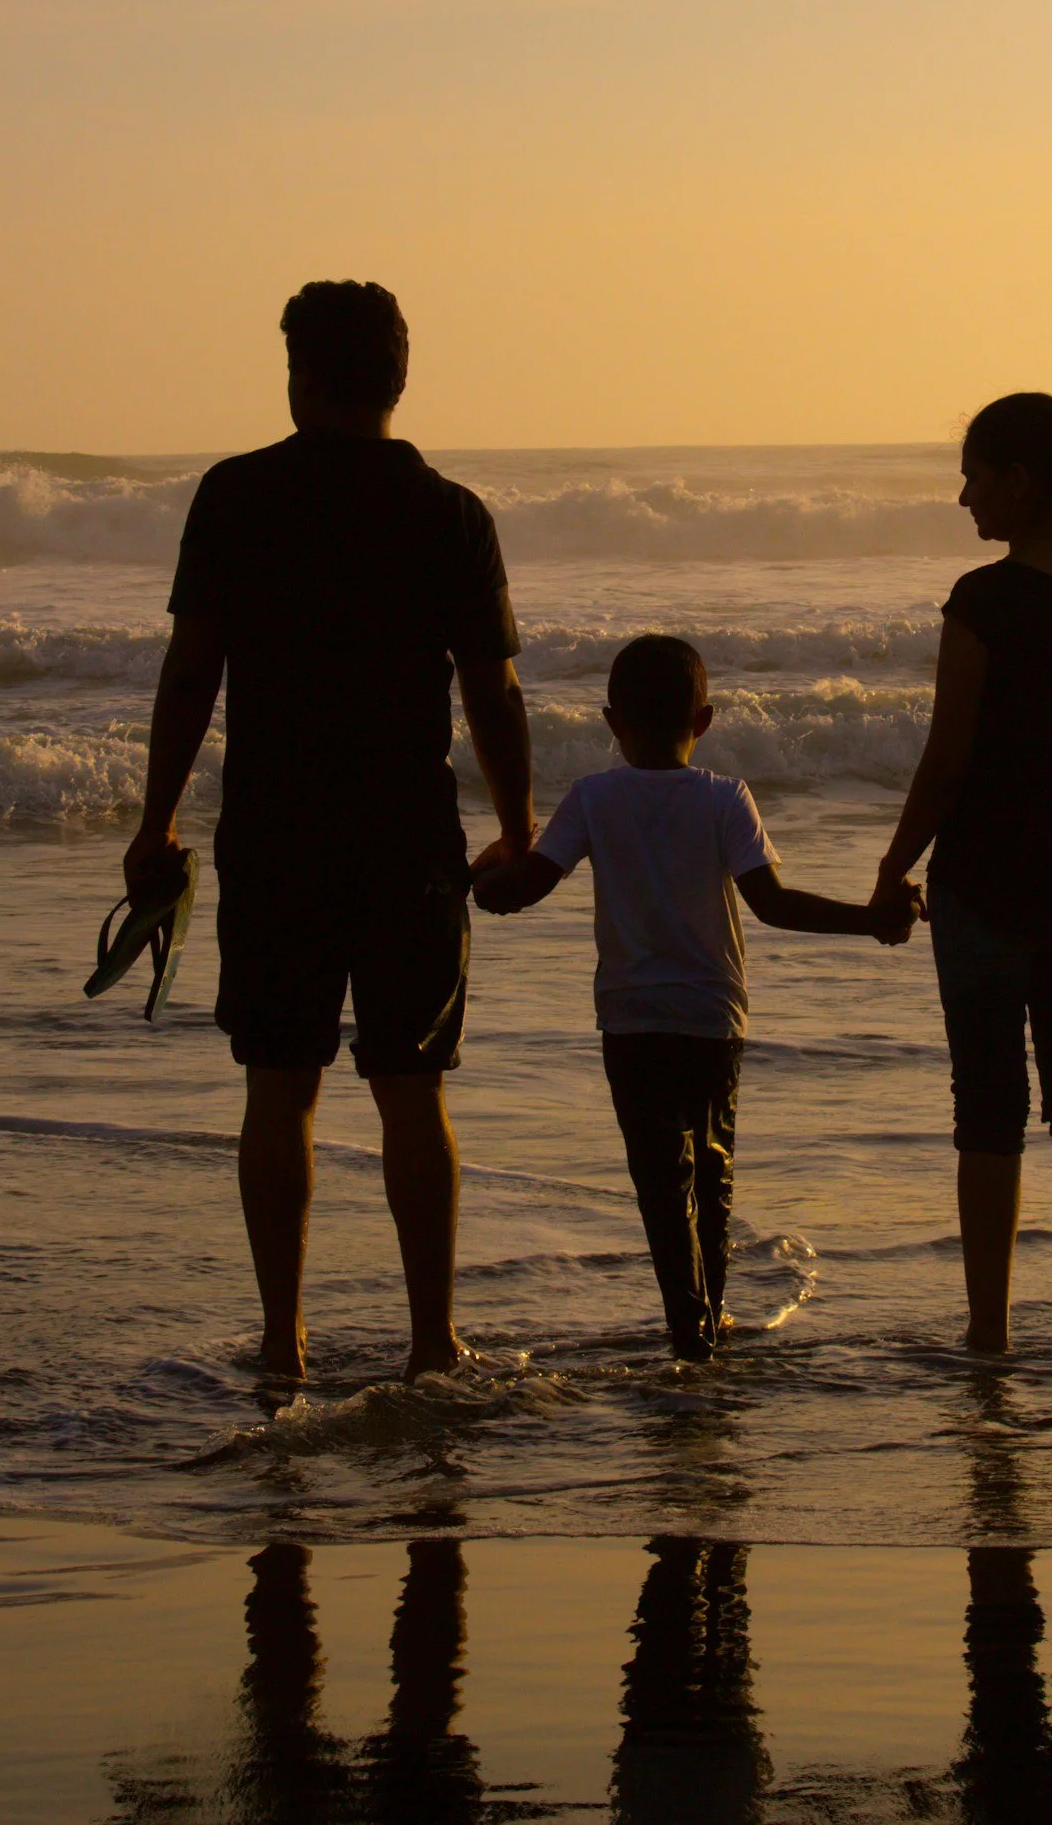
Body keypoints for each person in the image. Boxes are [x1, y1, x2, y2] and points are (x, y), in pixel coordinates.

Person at [122, 280, 535, 1383]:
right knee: (411, 1088)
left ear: (297, 375)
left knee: (279, 1084)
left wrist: (156, 818)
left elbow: (191, 669)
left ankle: (281, 1339)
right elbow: (492, 695)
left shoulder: (237, 496)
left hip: (276, 829)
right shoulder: (449, 512)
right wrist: (519, 826)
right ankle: (431, 1339)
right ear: (400, 377)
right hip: (407, 836)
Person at [475, 635, 922, 1361]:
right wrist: (869, 920)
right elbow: (772, 905)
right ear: (705, 720)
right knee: (712, 1175)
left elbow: (517, 893)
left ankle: (687, 1332)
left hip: (631, 1018)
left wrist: (476, 874)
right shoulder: (723, 797)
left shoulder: (592, 796)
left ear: (610, 720)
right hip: (714, 1019)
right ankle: (708, 1319)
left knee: (660, 1183)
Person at [872, 395, 1052, 1357]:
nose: (962, 497)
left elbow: (945, 760)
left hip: (986, 889)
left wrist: (891, 866)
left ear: (1017, 482)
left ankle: (988, 1329)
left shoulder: (984, 599)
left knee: (986, 1105)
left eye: (973, 477)